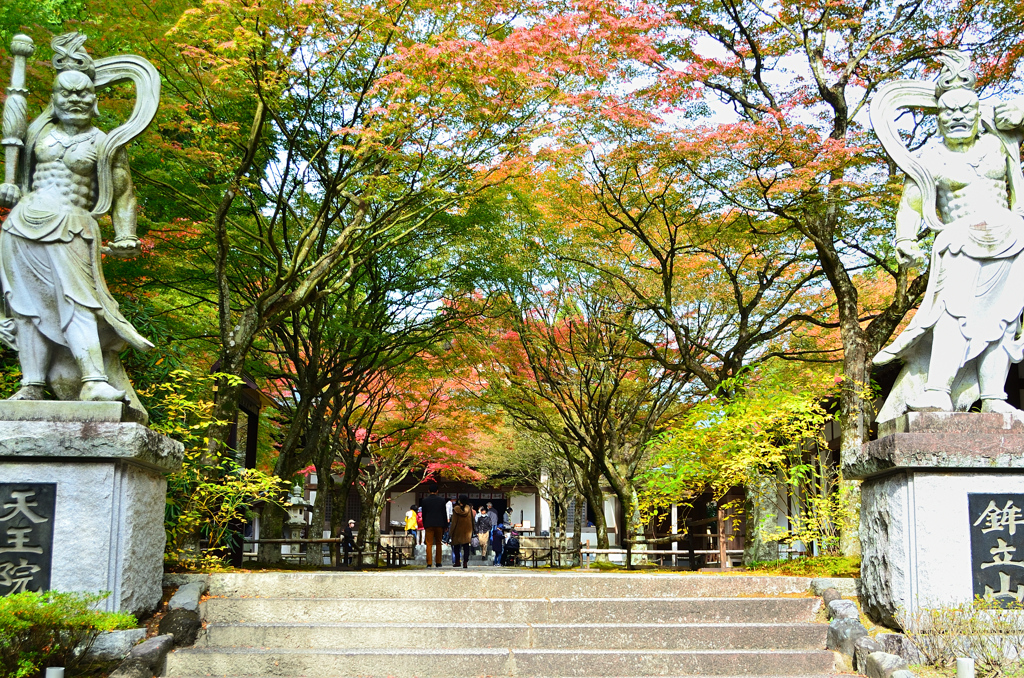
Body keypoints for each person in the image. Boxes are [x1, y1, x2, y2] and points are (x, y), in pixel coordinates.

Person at [0, 33, 155, 416]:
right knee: (24, 306)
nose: (74, 99)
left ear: (95, 99)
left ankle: (93, 381)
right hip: (22, 225)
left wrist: (126, 234)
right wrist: (9, 185)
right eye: (65, 93)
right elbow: (18, 172)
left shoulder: (106, 143)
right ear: (53, 99)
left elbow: (124, 194)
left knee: (79, 302)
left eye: (83, 93)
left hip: (72, 226)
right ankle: (32, 384)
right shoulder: (37, 134)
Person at [874, 51, 1024, 420]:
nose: (957, 117)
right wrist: (905, 239)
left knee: (1004, 321)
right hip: (959, 241)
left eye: (965, 110)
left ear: (978, 113)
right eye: (948, 112)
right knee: (952, 316)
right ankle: (938, 389)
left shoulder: (999, 144)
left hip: (1011, 238)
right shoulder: (933, 158)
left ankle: (993, 395)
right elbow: (911, 204)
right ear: (937, 118)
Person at [419, 482, 447, 568]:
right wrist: (445, 525)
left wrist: (424, 523)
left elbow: (423, 514)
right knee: (439, 543)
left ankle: (429, 562)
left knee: (429, 543)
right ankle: (438, 562)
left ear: (428, 491)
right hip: (439, 524)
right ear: (437, 491)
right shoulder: (442, 500)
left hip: (429, 524)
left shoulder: (424, 501)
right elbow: (444, 514)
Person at [449, 494, 475, 568]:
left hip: (457, 530)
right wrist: (473, 529)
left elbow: (454, 521)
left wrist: (451, 532)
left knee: (456, 547)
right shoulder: (469, 509)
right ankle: (465, 562)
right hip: (467, 530)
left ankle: (457, 561)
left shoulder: (456, 509)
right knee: (466, 547)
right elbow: (472, 520)